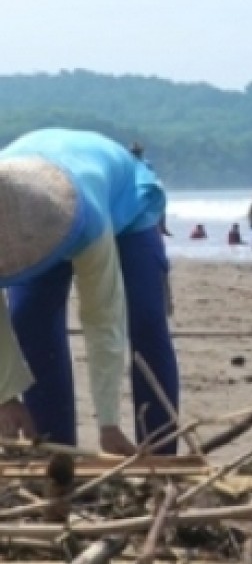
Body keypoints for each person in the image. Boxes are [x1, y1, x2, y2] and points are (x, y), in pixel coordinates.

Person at [0, 129, 180, 454]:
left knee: (145, 319)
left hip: (122, 207)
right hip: (24, 205)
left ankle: (161, 453)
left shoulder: (87, 219)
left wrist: (108, 424)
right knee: (28, 322)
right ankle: (56, 453)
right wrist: (6, 396)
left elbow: (103, 316)